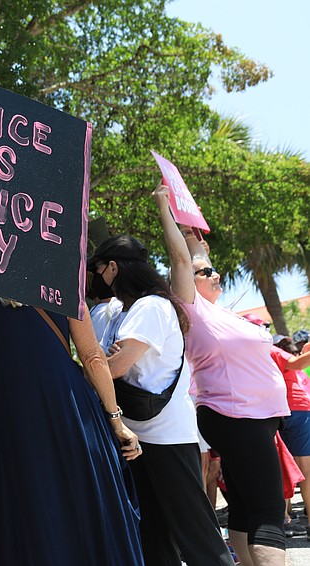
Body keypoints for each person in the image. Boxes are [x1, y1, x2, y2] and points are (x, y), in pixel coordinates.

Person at [0, 289, 144, 564]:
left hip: (11, 425)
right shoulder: (59, 274)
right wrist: (116, 421)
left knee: (35, 524)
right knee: (89, 511)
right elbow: (92, 357)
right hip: (72, 413)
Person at [154, 184, 290, 565]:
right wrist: (165, 207)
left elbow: (194, 255)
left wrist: (194, 240)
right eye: (206, 272)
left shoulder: (219, 312)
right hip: (237, 414)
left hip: (253, 417)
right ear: (187, 284)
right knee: (269, 510)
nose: (215, 274)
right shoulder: (190, 308)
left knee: (247, 507)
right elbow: (182, 262)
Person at [88, 235, 233, 565]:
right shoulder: (112, 311)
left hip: (166, 436)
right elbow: (105, 364)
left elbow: (115, 366)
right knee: (152, 536)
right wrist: (102, 364)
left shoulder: (150, 306)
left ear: (112, 268)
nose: (93, 276)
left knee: (197, 535)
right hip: (133, 437)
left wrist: (97, 366)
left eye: (97, 267)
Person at [269, 332, 310, 537]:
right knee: (305, 472)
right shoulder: (273, 351)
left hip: (275, 410)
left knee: (282, 467)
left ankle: (285, 519)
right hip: (297, 411)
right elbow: (298, 364)